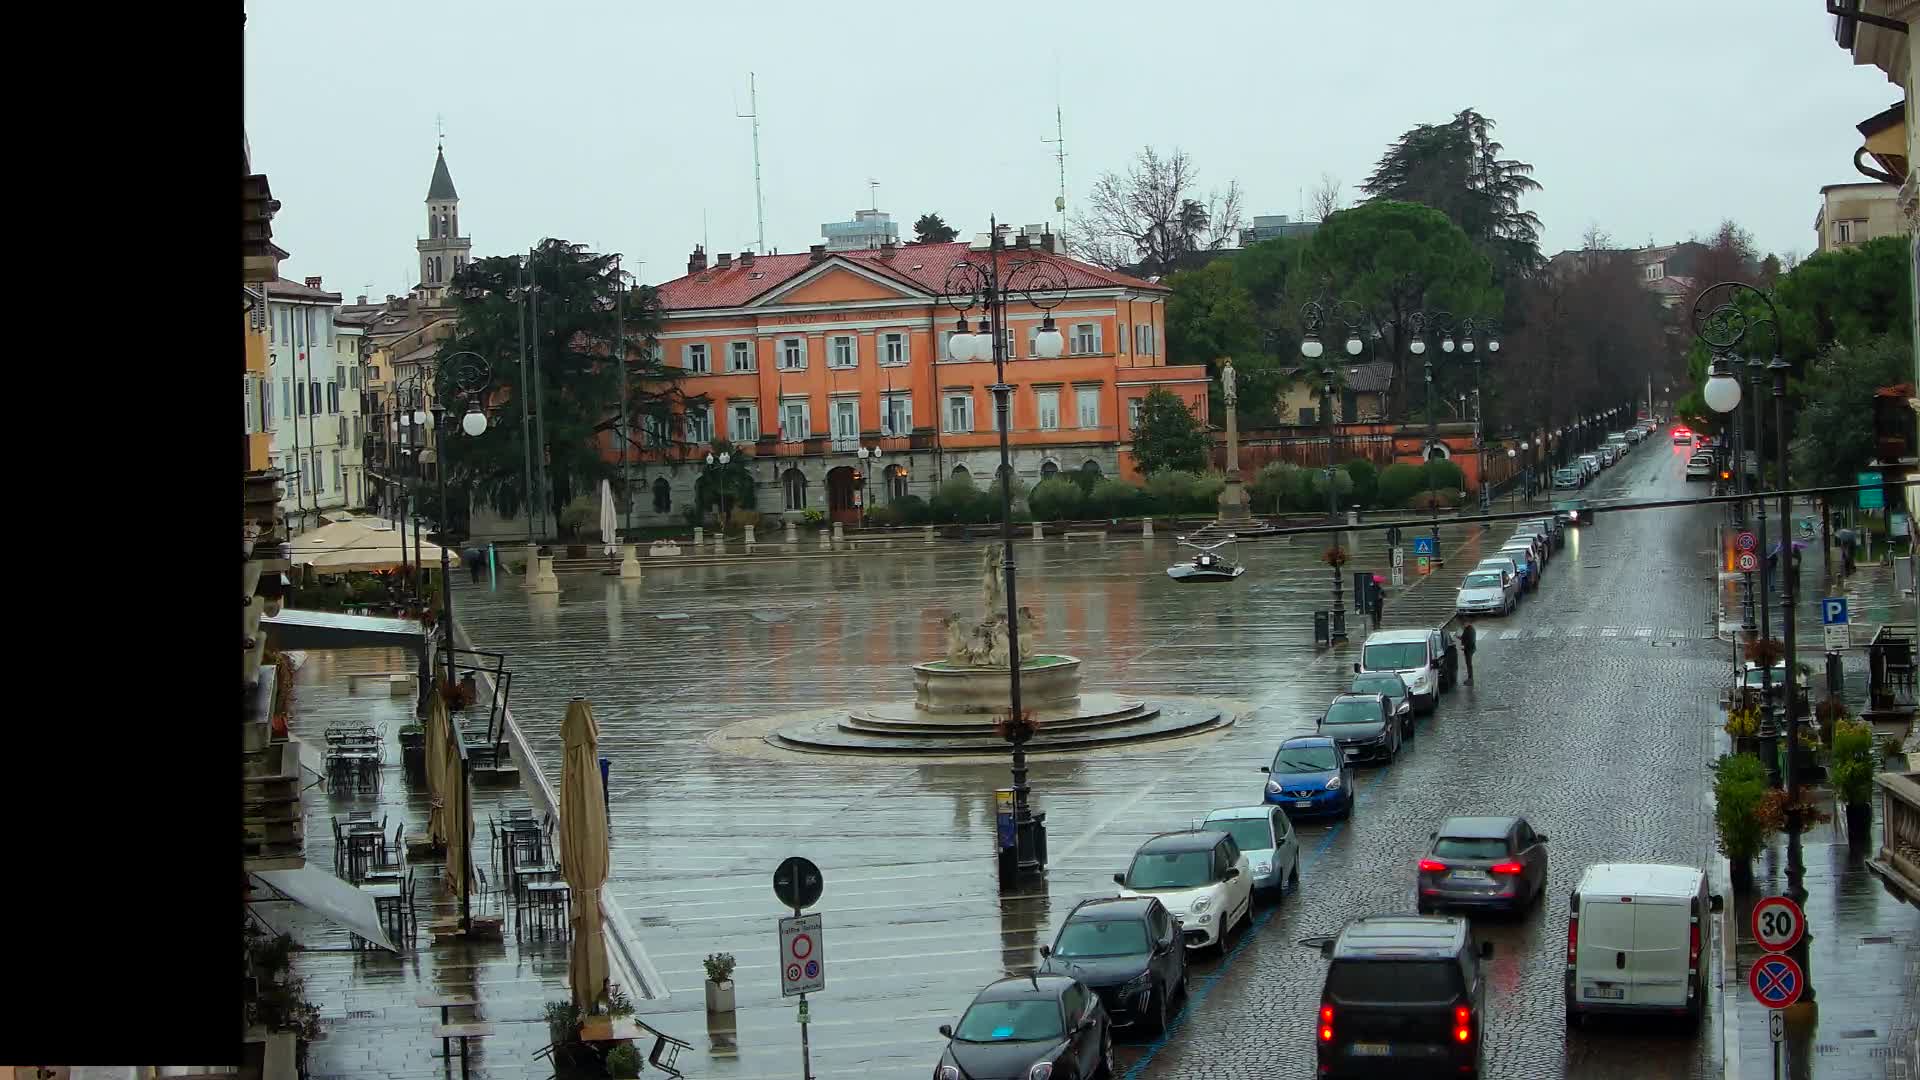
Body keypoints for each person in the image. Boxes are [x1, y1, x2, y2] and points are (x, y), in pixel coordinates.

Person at [1460, 621, 1477, 685]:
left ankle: (1471, 679)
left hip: (1469, 650)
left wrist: (1464, 646)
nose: (1463, 625)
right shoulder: (1467, 629)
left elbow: (1471, 641)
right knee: (1468, 664)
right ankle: (1470, 678)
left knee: (1469, 664)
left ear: (1468, 623)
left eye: (1464, 623)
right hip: (1468, 649)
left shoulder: (1471, 630)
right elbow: (1464, 637)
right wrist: (1460, 638)